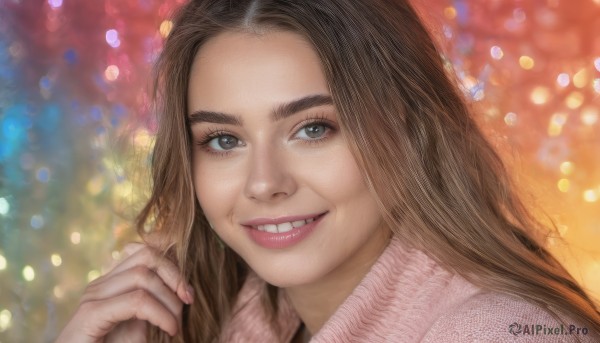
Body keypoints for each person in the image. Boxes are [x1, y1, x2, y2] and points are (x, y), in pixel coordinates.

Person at [57, 0, 600, 342]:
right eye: (224, 140)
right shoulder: (220, 321)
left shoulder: (503, 333)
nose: (265, 182)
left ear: (406, 127)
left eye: (313, 128)